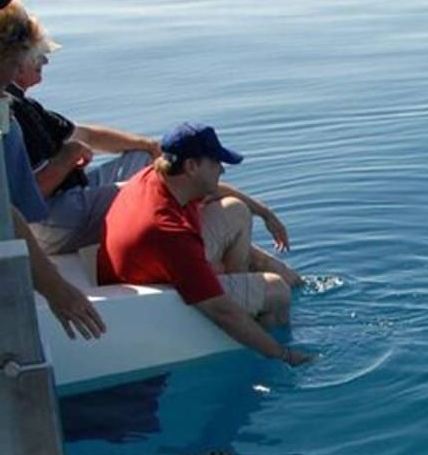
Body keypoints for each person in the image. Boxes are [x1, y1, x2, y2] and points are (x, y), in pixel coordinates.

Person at [97, 122, 309, 365]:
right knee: (278, 290)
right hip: (152, 290)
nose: (222, 170)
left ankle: (243, 289)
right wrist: (284, 355)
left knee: (237, 211)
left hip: (156, 259)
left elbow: (215, 189)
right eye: (216, 163)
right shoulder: (170, 233)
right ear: (191, 166)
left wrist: (265, 213)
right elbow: (221, 311)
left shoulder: (157, 175)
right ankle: (260, 340)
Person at [1, 0, 105, 339]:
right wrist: (58, 291)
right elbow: (4, 213)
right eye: (15, 63)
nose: (15, 76)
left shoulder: (5, 109)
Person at [5, 20, 160, 255]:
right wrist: (70, 155)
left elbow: (86, 135)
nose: (45, 61)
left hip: (69, 196)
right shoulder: (10, 111)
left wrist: (148, 145)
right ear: (17, 60)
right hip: (47, 219)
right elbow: (31, 198)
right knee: (165, 188)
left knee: (145, 159)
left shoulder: (26, 105)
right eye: (38, 55)